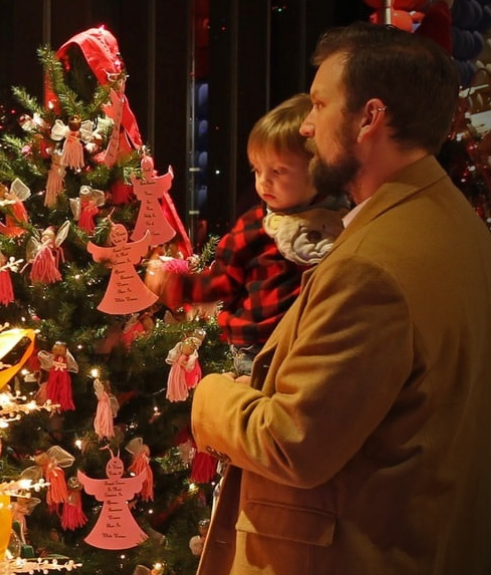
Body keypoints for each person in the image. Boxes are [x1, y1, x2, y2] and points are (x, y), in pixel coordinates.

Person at [170, 22, 491, 575]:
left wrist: (207, 396)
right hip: (409, 572)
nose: (308, 121)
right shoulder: (445, 220)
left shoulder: (372, 263)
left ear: (371, 117)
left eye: (321, 104)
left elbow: (294, 441)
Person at [146, 95, 348, 374]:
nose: (264, 181)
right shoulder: (255, 226)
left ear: (317, 168)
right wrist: (176, 285)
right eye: (257, 170)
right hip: (256, 349)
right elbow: (222, 280)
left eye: (278, 171)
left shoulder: (341, 222)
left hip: (309, 347)